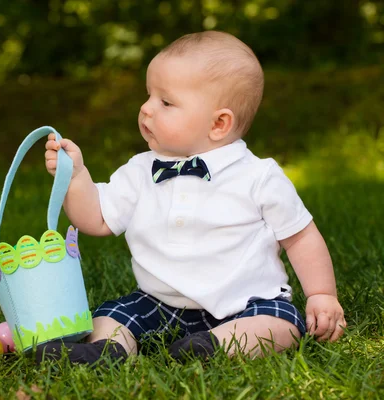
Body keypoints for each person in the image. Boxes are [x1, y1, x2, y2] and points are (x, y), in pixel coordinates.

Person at [37, 30, 346, 365]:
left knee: (280, 325)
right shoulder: (140, 170)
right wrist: (76, 177)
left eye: (165, 102)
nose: (146, 108)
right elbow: (94, 219)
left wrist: (321, 294)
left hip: (245, 303)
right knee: (112, 315)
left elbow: (301, 238)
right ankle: (107, 350)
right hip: (158, 301)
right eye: (148, 95)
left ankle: (212, 347)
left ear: (219, 124)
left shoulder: (259, 176)